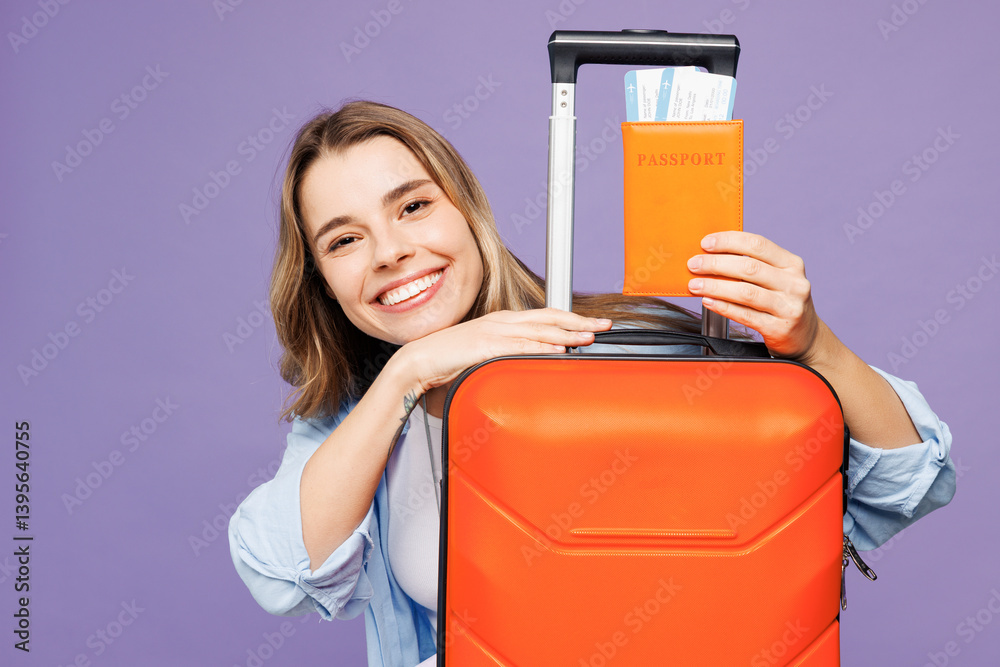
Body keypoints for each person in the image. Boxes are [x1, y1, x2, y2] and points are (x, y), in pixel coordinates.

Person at [228, 101, 955, 667]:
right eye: (344, 239)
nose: (389, 251)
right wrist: (408, 374)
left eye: (413, 205)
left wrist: (816, 345)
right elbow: (286, 572)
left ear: (466, 211)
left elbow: (910, 480)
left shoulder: (625, 353)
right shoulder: (356, 418)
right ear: (323, 280)